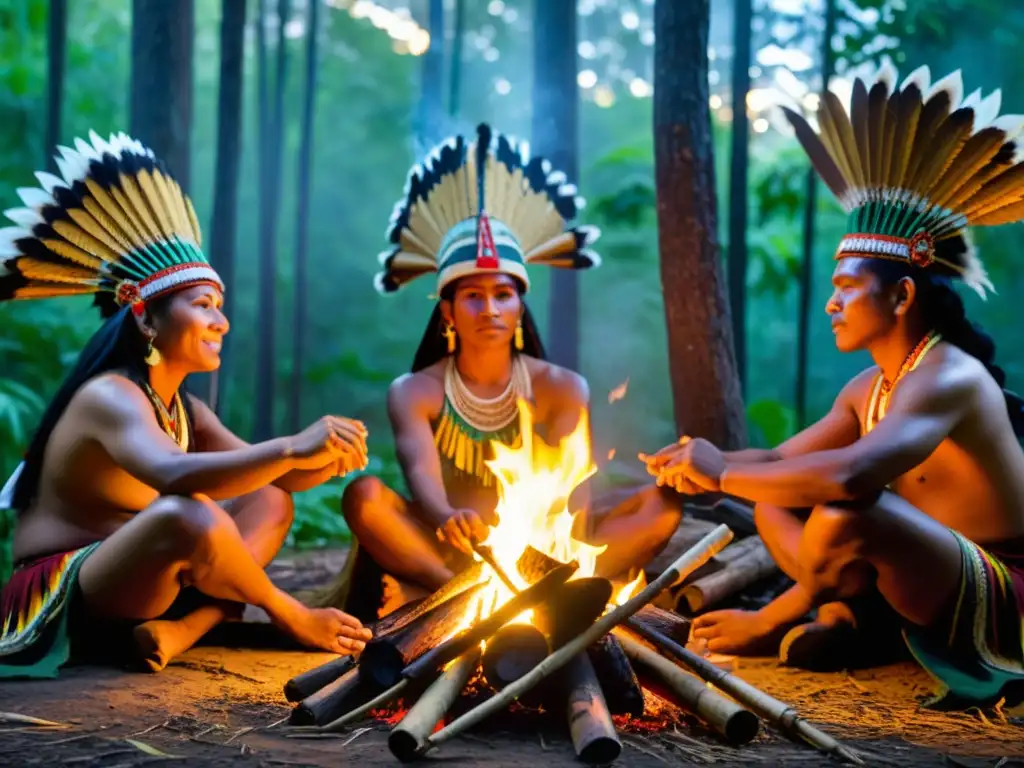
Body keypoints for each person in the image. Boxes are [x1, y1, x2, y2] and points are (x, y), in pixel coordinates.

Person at [643, 62, 1024, 709]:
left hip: (1003, 592)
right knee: (775, 495)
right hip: (927, 573)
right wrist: (695, 461)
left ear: (901, 294)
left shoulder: (948, 375)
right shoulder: (870, 385)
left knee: (846, 508)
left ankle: (828, 622)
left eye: (846, 288)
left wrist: (763, 610)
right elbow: (780, 464)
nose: (832, 304)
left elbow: (848, 480)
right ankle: (865, 623)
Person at [0, 131, 373, 678]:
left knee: (268, 501)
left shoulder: (183, 409)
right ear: (146, 318)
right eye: (203, 305)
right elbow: (174, 476)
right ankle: (288, 616)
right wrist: (293, 445)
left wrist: (324, 456)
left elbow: (273, 481)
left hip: (148, 587)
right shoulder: (110, 395)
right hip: (65, 594)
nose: (221, 321)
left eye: (220, 306)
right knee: (186, 512)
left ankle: (181, 630)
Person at [316, 123, 683, 621]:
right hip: (448, 552)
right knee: (365, 497)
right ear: (447, 312)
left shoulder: (561, 388)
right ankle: (469, 599)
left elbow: (572, 501)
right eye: (472, 295)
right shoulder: (416, 391)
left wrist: (541, 547)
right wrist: (448, 517)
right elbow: (420, 474)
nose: (489, 308)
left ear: (519, 305)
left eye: (502, 294)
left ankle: (536, 595)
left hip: (549, 555)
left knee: (659, 507)